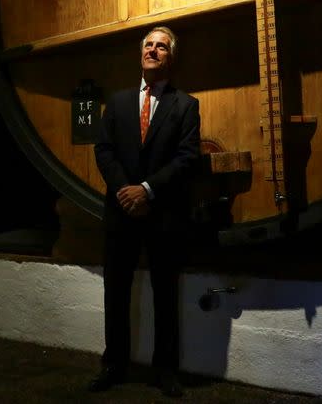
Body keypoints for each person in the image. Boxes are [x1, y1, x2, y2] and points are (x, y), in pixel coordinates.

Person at [89, 25, 201, 398]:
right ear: (141, 54)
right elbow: (103, 150)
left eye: (162, 47)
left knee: (165, 292)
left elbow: (187, 158)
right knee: (115, 291)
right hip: (121, 211)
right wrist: (126, 190)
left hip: (163, 214)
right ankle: (114, 364)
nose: (153, 50)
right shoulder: (118, 103)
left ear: (172, 57)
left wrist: (147, 190)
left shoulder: (186, 106)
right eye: (148, 45)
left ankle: (165, 370)